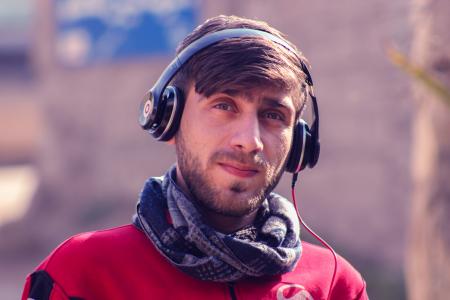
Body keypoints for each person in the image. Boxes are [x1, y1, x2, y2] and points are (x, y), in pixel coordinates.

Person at [22, 15, 368, 300]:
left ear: (299, 146)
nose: (249, 141)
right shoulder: (84, 274)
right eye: (223, 106)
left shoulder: (335, 285)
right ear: (168, 119)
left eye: (273, 115)